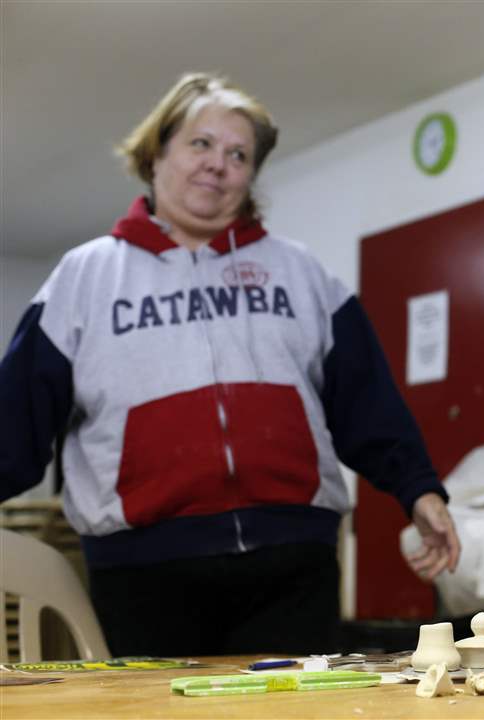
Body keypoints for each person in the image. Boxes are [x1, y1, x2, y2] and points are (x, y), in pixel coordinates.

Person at [0, 72, 460, 657]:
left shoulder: (300, 273)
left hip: (293, 567)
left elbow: (367, 403)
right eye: (201, 144)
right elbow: (16, 421)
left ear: (250, 175)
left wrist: (420, 493)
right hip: (144, 574)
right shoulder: (85, 278)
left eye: (238, 154)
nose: (218, 164)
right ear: (157, 151)